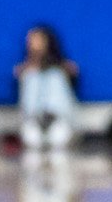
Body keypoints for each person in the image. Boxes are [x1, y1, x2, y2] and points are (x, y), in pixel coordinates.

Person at [16, 23, 82, 154]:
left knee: (58, 139)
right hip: (34, 119)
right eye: (31, 40)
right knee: (33, 141)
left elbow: (73, 71)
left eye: (37, 40)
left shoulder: (62, 68)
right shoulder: (26, 70)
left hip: (59, 118)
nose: (33, 44)